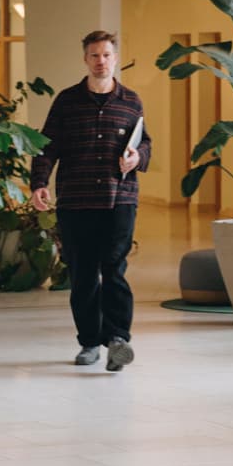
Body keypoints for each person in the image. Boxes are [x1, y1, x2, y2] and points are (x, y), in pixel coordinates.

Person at [32, 30, 150, 372]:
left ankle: (117, 339)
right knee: (83, 274)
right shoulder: (67, 101)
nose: (101, 61)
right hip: (77, 200)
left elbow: (146, 143)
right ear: (85, 59)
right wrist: (39, 182)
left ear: (115, 58)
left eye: (107, 55)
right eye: (95, 55)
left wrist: (136, 158)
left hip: (120, 199)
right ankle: (88, 342)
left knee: (114, 268)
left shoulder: (131, 101)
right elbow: (47, 145)